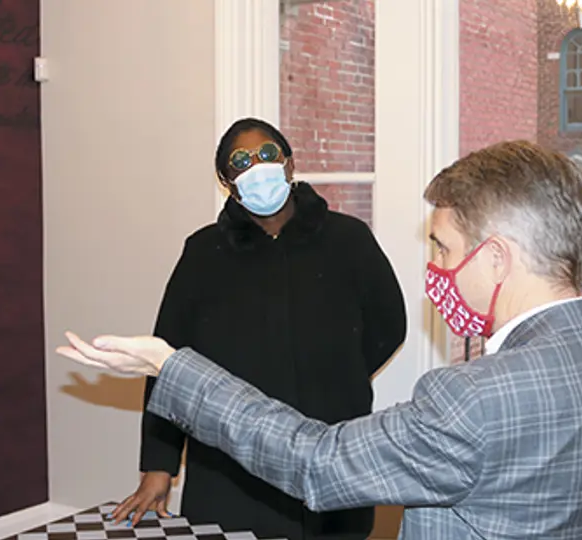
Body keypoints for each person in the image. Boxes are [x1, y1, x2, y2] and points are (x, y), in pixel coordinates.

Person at [57, 140, 582, 539]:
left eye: (443, 247)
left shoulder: (471, 400)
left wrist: (171, 366)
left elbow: (315, 463)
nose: (435, 267)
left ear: (496, 258)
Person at [112, 117, 406, 540]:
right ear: (227, 181)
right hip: (227, 465)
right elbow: (170, 364)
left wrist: (338, 376)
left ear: (289, 163)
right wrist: (159, 467)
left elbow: (389, 324)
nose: (257, 166)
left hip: (329, 451)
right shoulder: (203, 253)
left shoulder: (349, 239)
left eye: (267, 154)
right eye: (241, 161)